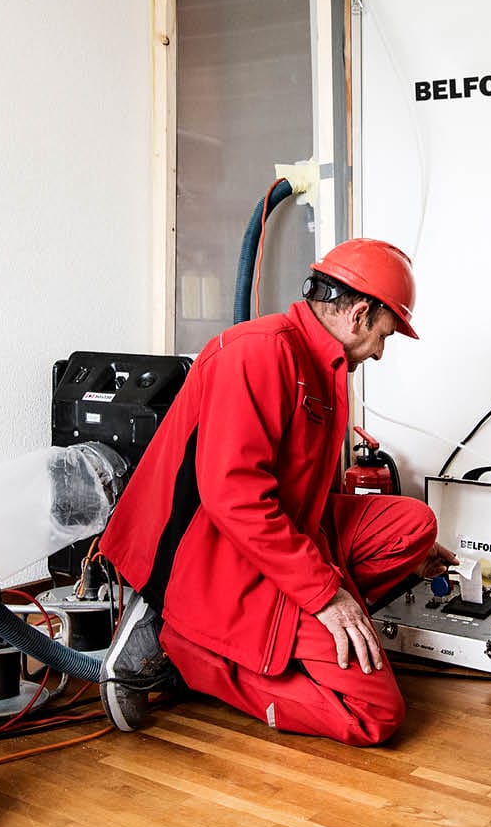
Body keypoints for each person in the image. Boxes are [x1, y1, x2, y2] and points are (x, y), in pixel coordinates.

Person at [95, 238, 454, 746]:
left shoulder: (321, 364)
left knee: (413, 527)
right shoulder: (257, 355)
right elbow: (235, 498)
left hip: (284, 529)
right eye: (383, 335)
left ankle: (302, 637)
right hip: (212, 555)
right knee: (374, 714)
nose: (379, 351)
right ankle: (186, 648)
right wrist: (326, 595)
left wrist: (400, 561)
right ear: (357, 315)